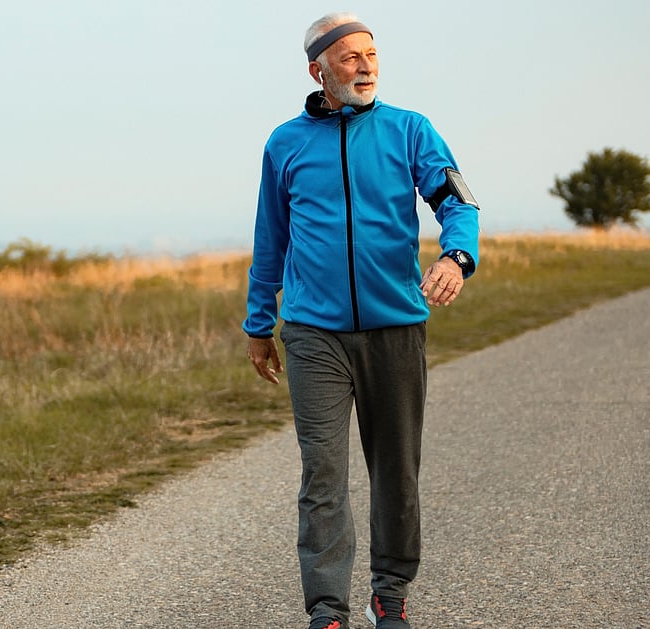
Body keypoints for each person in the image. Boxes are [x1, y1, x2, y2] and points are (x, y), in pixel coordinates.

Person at [243, 12, 480, 629]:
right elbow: (270, 239)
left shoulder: (410, 130)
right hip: (313, 333)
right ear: (317, 70)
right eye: (349, 58)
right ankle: (327, 609)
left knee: (396, 471)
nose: (365, 67)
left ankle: (389, 593)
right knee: (322, 473)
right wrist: (257, 323)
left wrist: (456, 256)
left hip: (395, 327)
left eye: (371, 55)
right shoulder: (285, 143)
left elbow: (458, 202)